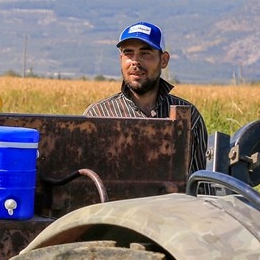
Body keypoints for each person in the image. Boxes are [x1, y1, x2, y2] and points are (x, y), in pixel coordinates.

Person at [85, 21, 208, 174]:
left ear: (164, 60)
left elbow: (200, 185)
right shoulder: (98, 115)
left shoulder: (189, 117)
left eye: (145, 53)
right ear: (121, 59)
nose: (135, 62)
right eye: (129, 53)